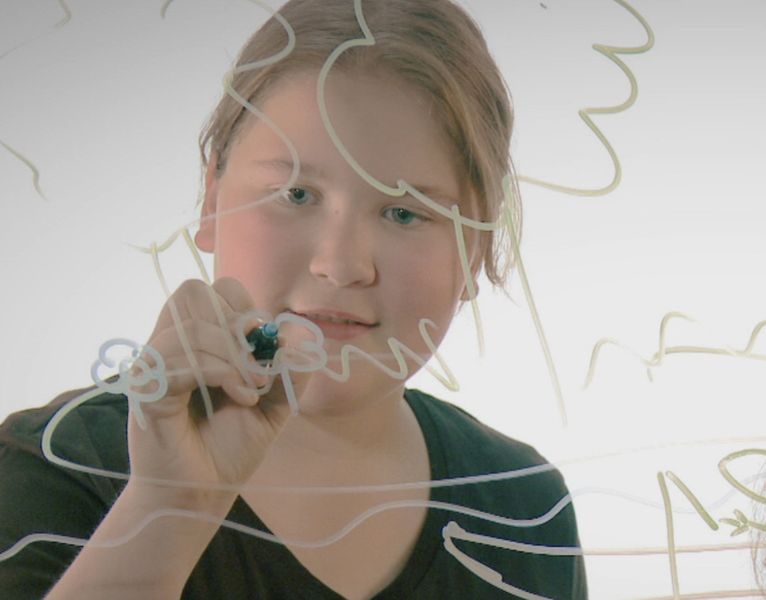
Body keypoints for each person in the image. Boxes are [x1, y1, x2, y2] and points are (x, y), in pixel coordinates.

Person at [0, 1, 586, 598]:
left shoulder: (525, 507)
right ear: (211, 199)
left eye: (405, 213)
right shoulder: (53, 468)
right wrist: (167, 510)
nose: (341, 264)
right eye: (296, 194)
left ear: (477, 246)